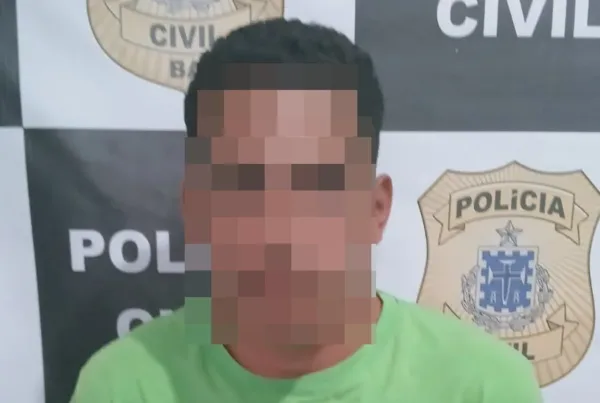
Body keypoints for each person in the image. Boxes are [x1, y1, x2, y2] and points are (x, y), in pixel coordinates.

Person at [71, 18, 542, 403]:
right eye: (247, 185)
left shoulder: (483, 387)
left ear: (376, 209)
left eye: (320, 184)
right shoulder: (123, 386)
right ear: (197, 210)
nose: (284, 231)